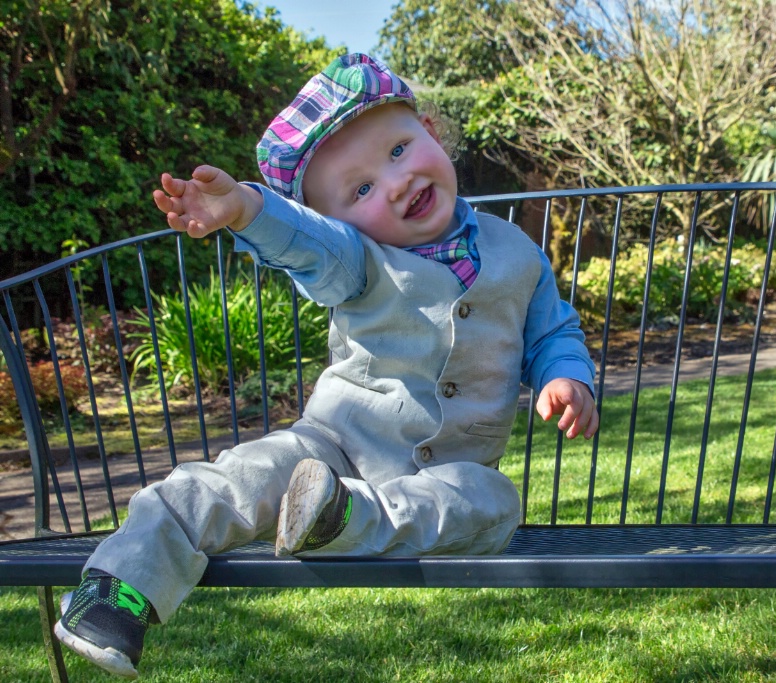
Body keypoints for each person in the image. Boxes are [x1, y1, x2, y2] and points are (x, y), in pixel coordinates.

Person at [53, 53, 598, 678]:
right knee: (242, 479)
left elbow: (552, 330)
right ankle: (114, 592)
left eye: (398, 150)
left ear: (430, 129)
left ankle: (339, 517)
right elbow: (301, 240)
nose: (394, 183)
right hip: (330, 449)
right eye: (360, 190)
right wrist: (246, 209)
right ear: (338, 220)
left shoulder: (517, 250)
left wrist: (565, 376)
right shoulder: (356, 257)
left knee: (495, 502)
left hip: (448, 474)